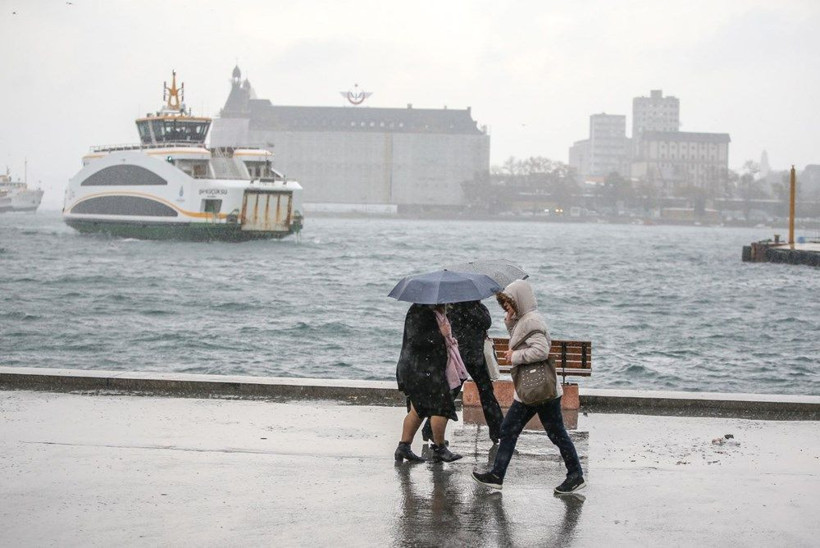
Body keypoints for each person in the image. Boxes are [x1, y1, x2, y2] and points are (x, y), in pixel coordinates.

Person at [471, 280, 586, 495]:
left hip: (537, 389)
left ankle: (575, 475)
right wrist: (510, 323)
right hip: (534, 390)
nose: (506, 307)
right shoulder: (525, 319)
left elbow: (541, 351)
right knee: (529, 431)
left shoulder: (531, 320)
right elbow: (522, 339)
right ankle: (498, 475)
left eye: (509, 303)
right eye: (504, 304)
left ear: (520, 300)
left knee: (529, 431)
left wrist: (515, 356)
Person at [394, 303, 465, 463]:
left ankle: (404, 447)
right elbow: (416, 340)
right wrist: (440, 333)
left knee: (418, 410)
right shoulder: (419, 311)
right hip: (420, 369)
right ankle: (440, 449)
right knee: (441, 408)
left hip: (425, 369)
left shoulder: (436, 312)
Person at [427, 300, 503, 444]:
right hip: (471, 356)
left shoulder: (453, 306)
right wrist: (478, 307)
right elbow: (486, 322)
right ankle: (498, 430)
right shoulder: (473, 307)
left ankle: (429, 428)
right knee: (486, 392)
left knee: (453, 391)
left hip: (461, 354)